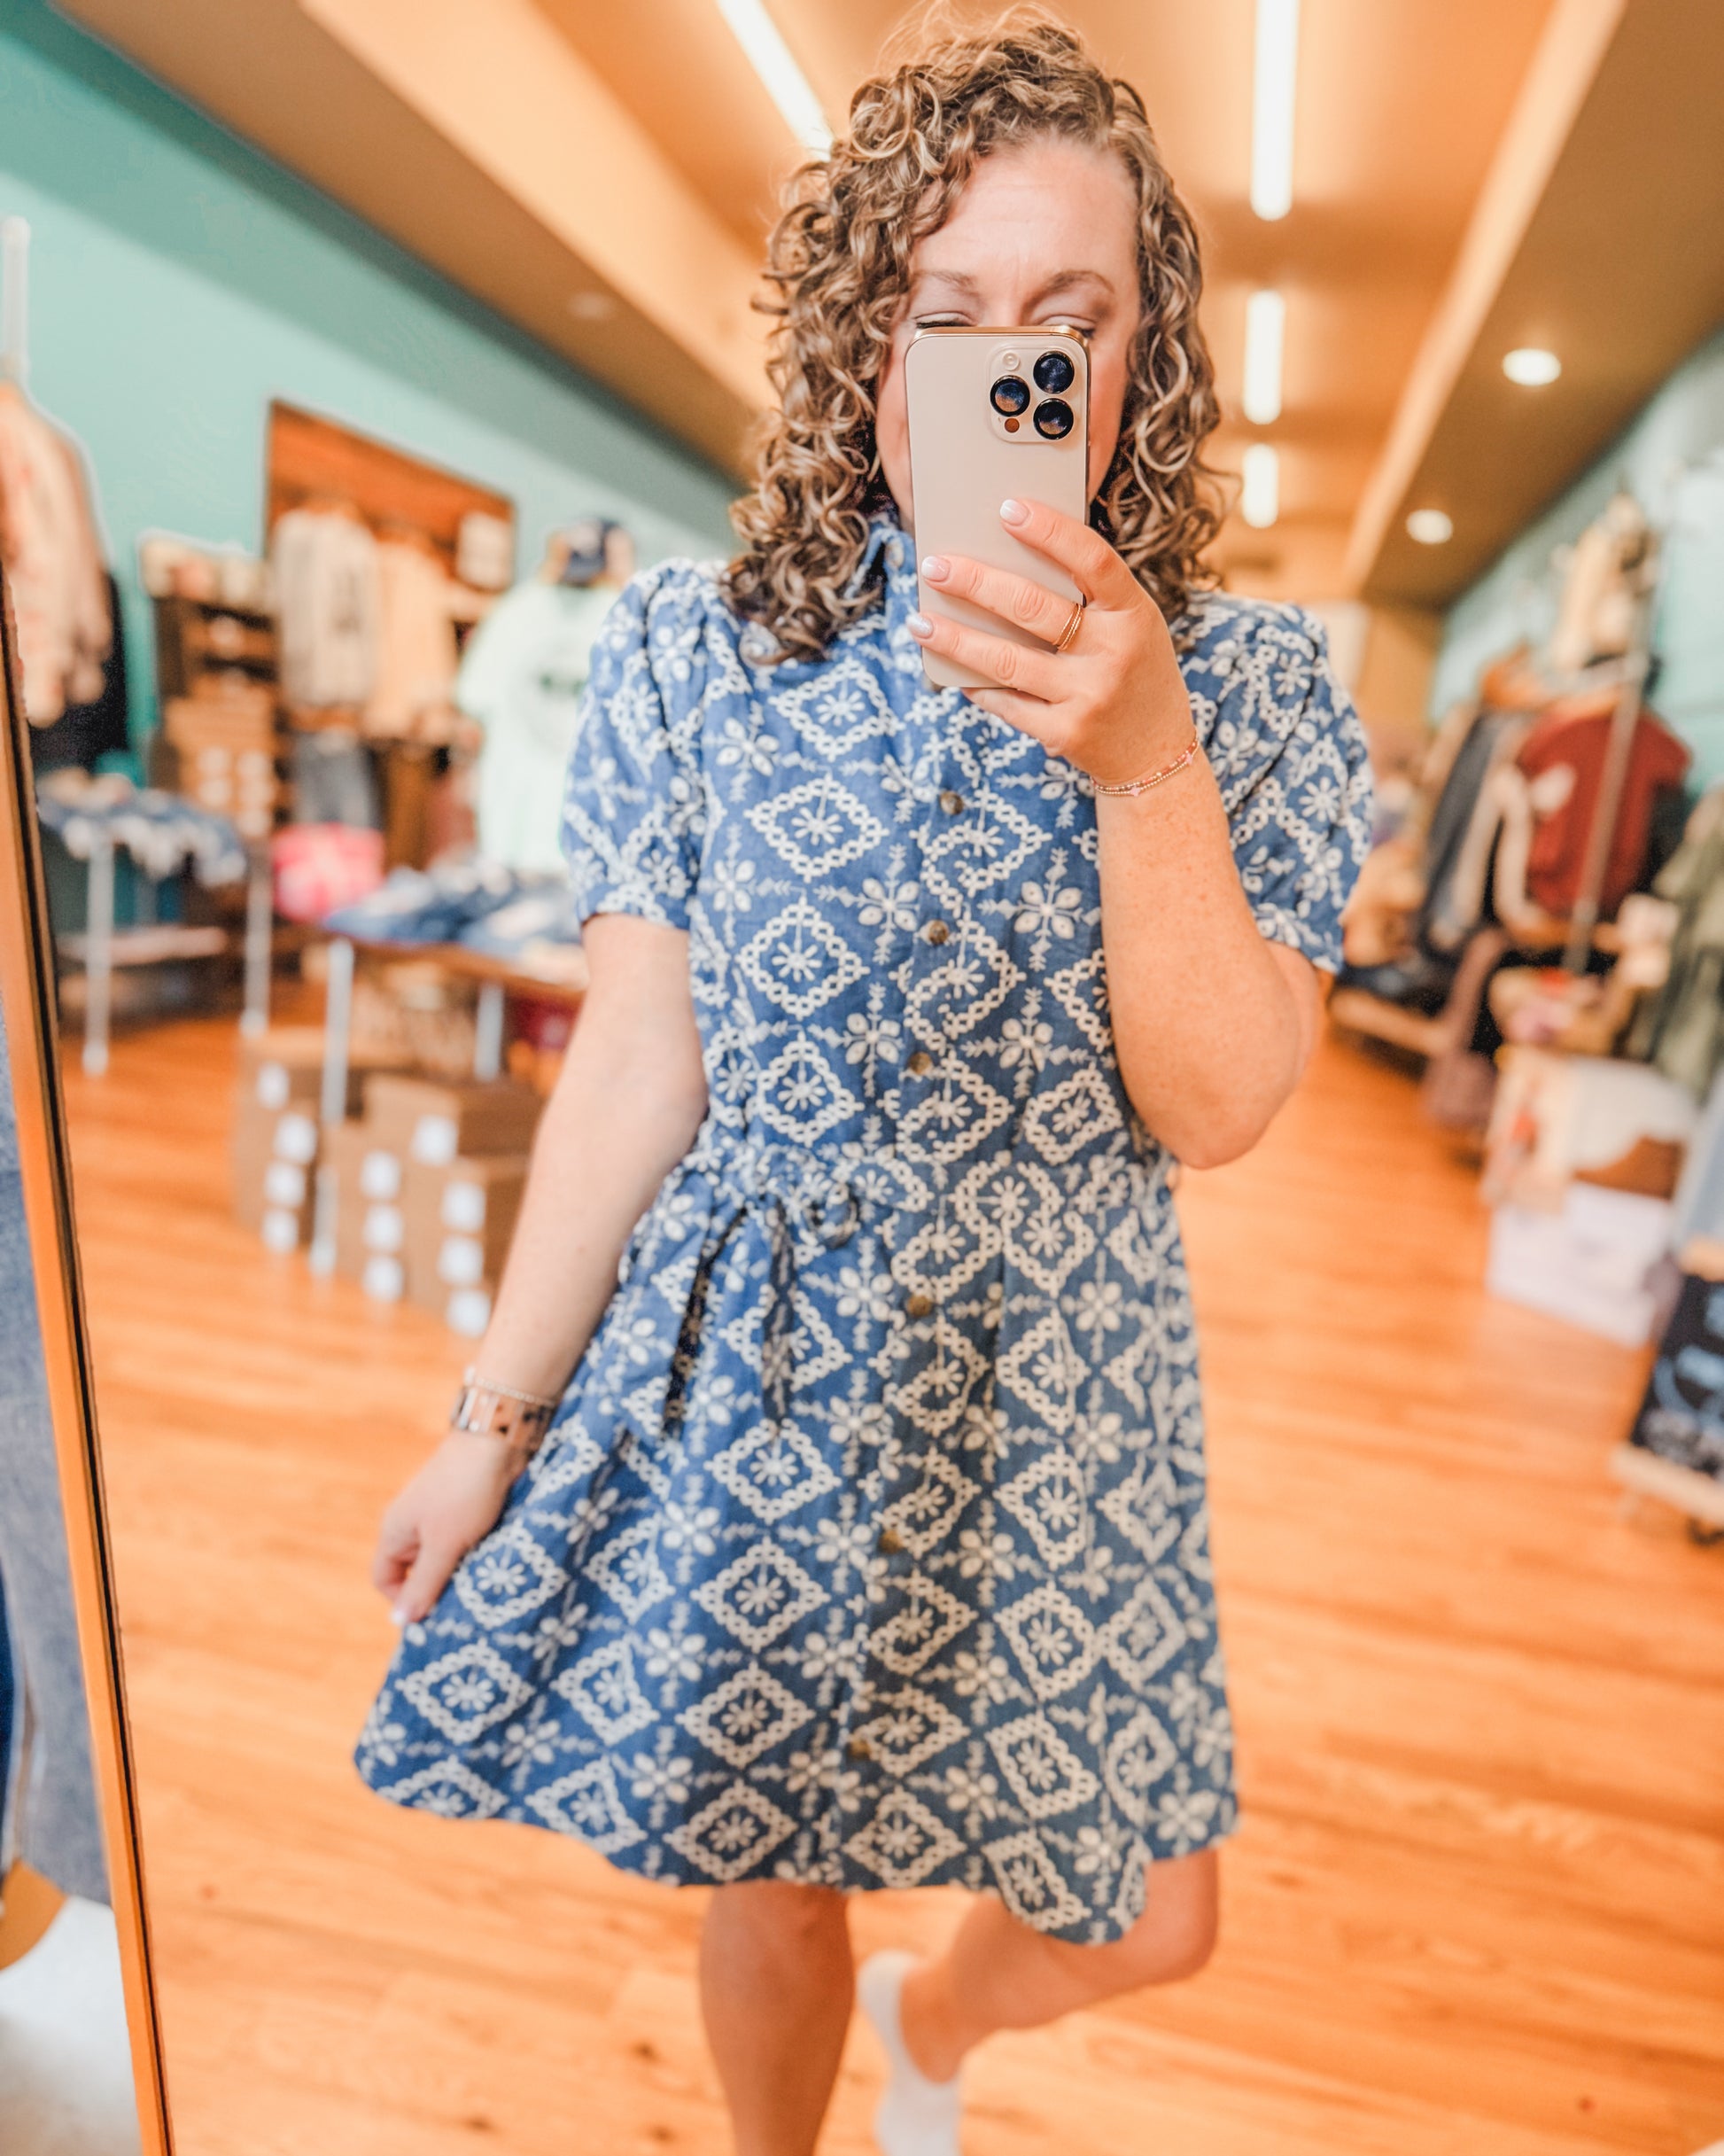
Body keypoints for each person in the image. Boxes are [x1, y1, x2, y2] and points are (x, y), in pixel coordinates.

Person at [356, 14, 1373, 2155]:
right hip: (769, 1351)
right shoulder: (693, 647)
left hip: (1071, 1370)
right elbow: (633, 1061)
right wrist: (485, 1426)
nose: (1010, 367)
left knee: (1149, 1913)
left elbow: (1217, 1103)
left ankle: (934, 2025)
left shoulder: (1255, 687)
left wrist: (1139, 756)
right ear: (866, 339)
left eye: (1070, 322)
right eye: (950, 314)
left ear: (1139, 360)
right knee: (771, 1856)